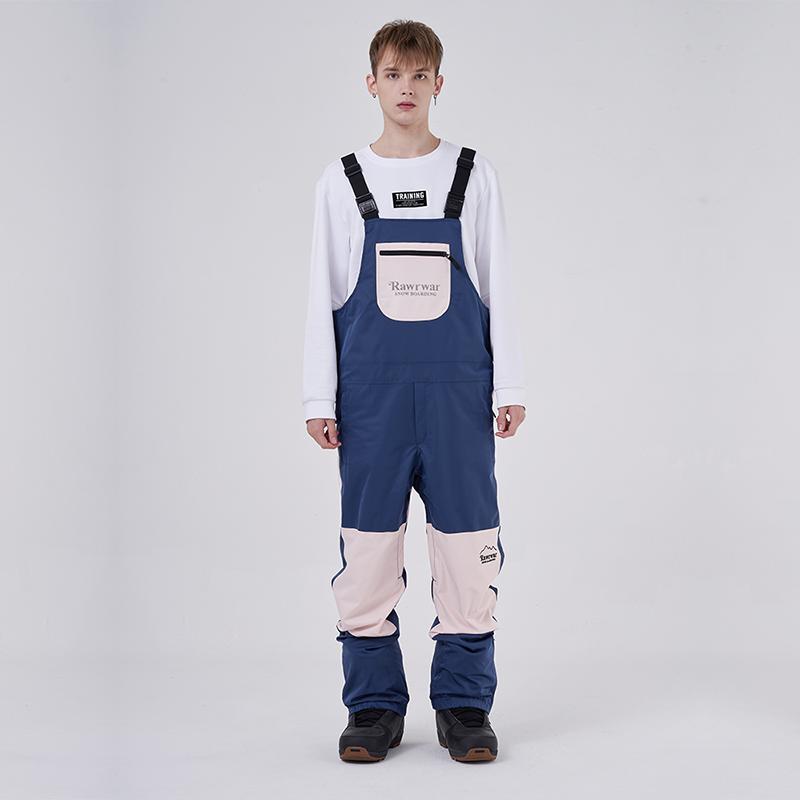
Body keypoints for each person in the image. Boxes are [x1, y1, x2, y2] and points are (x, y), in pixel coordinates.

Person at [302, 19, 526, 763]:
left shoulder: (473, 175)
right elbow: (321, 296)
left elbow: (500, 287)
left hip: (460, 399)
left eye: (419, 75)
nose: (406, 88)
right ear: (371, 84)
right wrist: (319, 398)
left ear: (439, 84)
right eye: (393, 75)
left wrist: (510, 382)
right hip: (371, 403)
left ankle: (464, 706)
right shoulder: (342, 181)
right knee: (368, 554)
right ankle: (372, 708)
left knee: (468, 552)